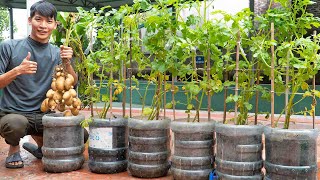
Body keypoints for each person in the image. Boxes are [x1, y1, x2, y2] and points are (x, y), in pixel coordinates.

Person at [0, 1, 88, 169]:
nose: (43, 26)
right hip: (13, 113)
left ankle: (41, 148)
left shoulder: (56, 52)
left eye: (49, 21)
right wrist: (17, 70)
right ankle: (13, 148)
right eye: (38, 19)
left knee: (80, 134)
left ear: (55, 25)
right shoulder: (9, 47)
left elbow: (73, 81)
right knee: (14, 125)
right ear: (29, 20)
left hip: (43, 114)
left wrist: (67, 62)